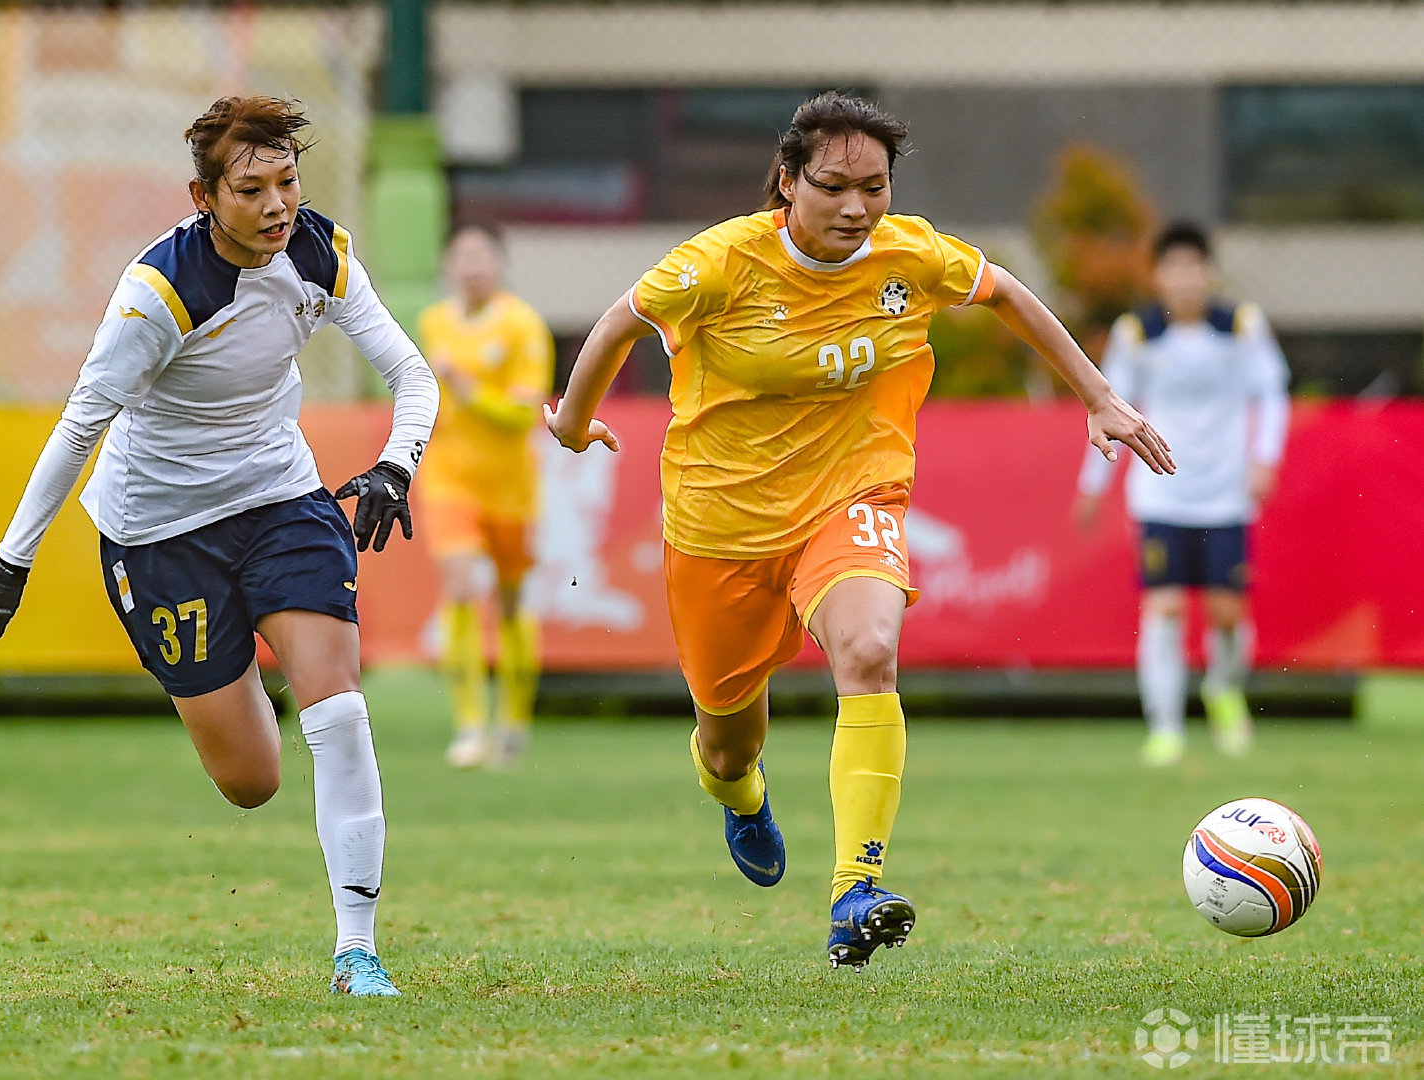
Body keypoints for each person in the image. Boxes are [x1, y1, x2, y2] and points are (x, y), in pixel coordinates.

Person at [545, 91, 1174, 969]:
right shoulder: (719, 263)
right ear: (786, 181)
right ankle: (740, 793)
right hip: (719, 528)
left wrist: (1098, 397)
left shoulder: (908, 253)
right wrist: (572, 424)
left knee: (871, 650)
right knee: (728, 740)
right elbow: (618, 323)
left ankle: (855, 888)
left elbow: (1005, 293)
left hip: (854, 500)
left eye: (873, 187)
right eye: (834, 186)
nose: (855, 207)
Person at [0, 96, 439, 997]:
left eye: (287, 181)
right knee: (252, 781)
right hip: (159, 534)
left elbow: (412, 374)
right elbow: (80, 427)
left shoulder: (321, 256)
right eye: (250, 188)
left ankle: (357, 952)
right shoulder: (157, 295)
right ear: (204, 196)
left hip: (281, 500)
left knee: (338, 708)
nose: (275, 205)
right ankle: (237, 664)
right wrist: (11, 558)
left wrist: (392, 469)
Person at [1075, 222, 1289, 767]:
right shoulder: (1137, 334)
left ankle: (1223, 691)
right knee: (1164, 606)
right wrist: (1094, 482)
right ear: (1158, 276)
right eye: (1174, 267)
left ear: (1209, 273)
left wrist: (1265, 458)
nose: (1186, 278)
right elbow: (1112, 411)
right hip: (1161, 496)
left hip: (1225, 496)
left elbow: (1272, 395)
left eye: (1196, 266)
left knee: (1225, 613)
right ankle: (1165, 727)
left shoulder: (1241, 327)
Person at [415, 224, 555, 769]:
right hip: (449, 479)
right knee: (458, 583)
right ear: (448, 265)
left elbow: (523, 413)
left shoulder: (522, 326)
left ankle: (514, 722)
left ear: (499, 264)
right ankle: (469, 726)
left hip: (510, 489)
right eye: (461, 256)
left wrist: (466, 387)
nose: (471, 266)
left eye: (482, 256)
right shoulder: (433, 323)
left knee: (512, 600)